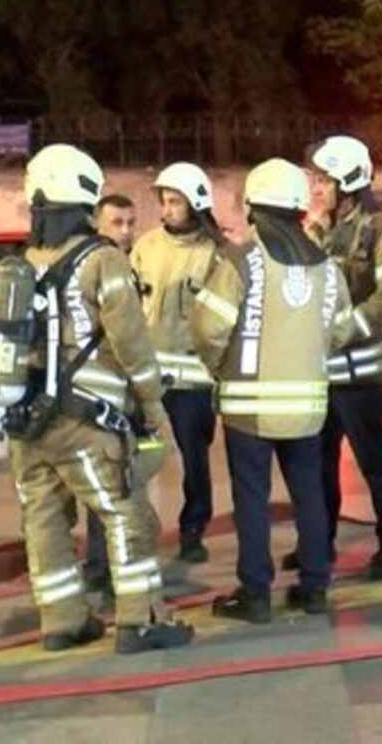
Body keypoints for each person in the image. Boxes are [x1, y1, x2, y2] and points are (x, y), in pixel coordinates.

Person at [0, 144, 193, 654]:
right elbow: (131, 344)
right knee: (126, 514)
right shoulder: (102, 260)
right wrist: (153, 405)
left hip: (26, 424)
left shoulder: (21, 264)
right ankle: (140, 621)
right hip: (86, 424)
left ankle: (63, 621)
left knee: (44, 518)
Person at [192, 159, 354, 623]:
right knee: (310, 494)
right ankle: (315, 588)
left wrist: (219, 367)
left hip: (249, 407)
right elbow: (341, 330)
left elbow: (209, 329)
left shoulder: (240, 261)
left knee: (252, 498)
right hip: (308, 408)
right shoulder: (328, 268)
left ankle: (256, 593)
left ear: (253, 208)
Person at [283, 134, 382, 581]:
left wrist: (346, 328)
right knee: (317, 465)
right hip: (319, 374)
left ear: (348, 183)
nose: (315, 188)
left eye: (323, 180)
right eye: (313, 179)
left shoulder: (381, 234)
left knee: (375, 463)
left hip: (359, 375)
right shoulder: (313, 229)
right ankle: (319, 543)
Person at [132, 163, 223, 563]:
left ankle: (193, 531)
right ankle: (138, 530)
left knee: (195, 462)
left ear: (196, 204)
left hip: (194, 381)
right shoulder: (146, 247)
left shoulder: (216, 254)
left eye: (175, 202)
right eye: (164, 201)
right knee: (139, 455)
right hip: (148, 377)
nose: (166, 209)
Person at [83, 192, 141, 595]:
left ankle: (106, 565)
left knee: (119, 484)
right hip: (100, 394)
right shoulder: (99, 266)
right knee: (109, 486)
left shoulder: (126, 263)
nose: (125, 231)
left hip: (116, 392)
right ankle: (104, 568)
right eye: (117, 223)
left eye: (130, 223)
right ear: (97, 223)